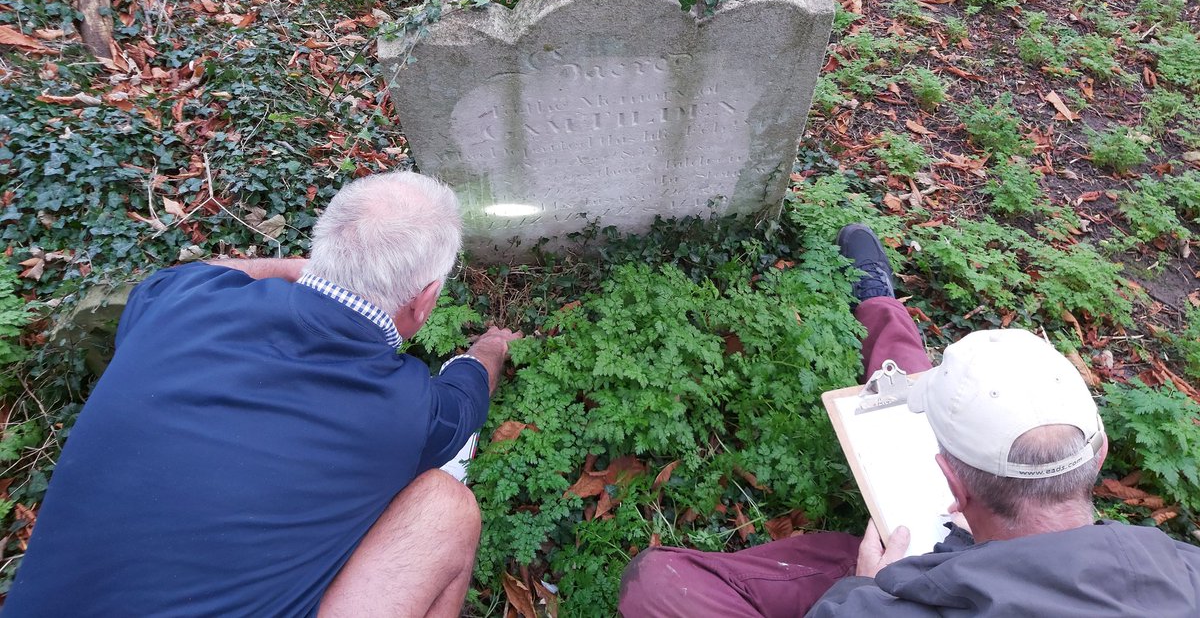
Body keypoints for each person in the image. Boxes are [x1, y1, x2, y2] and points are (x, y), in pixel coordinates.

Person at [6, 171, 520, 618]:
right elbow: (465, 398)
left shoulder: (178, 301)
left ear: (324, 246)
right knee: (445, 506)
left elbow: (212, 271)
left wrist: (313, 273)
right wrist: (490, 348)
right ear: (427, 299)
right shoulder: (410, 409)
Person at [619, 224, 1200, 617]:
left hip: (907, 574)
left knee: (657, 585)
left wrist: (866, 594)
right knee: (910, 386)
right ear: (1097, 455)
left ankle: (884, 312)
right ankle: (882, 310)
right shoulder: (1184, 573)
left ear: (950, 484)